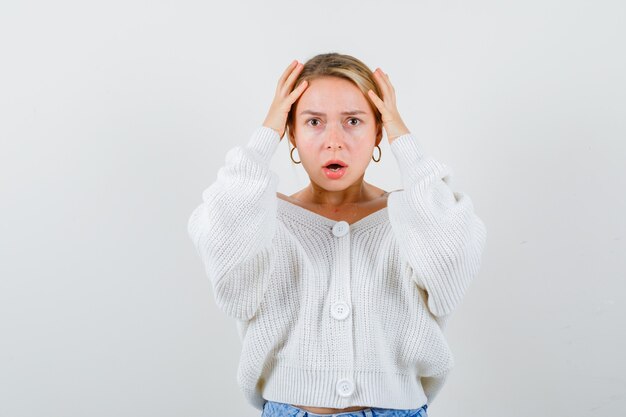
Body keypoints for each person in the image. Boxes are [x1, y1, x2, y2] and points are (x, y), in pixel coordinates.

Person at [187, 52, 487, 417]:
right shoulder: (263, 218)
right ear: (291, 133)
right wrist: (265, 137)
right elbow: (227, 267)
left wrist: (403, 140)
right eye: (313, 121)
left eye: (353, 121)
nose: (334, 141)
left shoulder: (414, 218)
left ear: (379, 130)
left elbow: (451, 269)